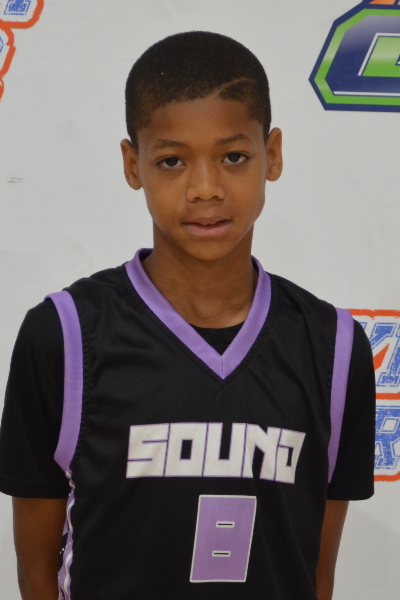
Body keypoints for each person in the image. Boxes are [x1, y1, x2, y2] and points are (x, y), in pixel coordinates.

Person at [0, 31, 376, 600]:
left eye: (233, 157)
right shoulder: (65, 336)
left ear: (273, 154)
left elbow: (314, 575)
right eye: (172, 160)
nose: (205, 188)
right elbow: (36, 577)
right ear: (133, 164)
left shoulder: (336, 349)